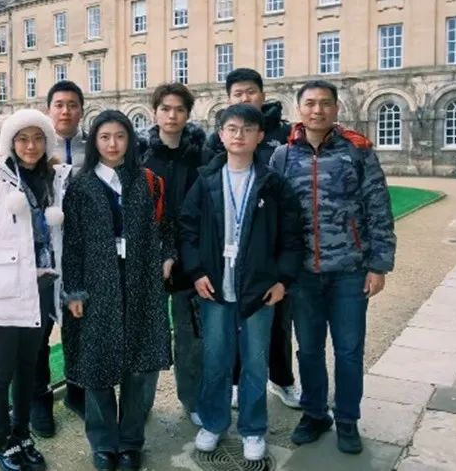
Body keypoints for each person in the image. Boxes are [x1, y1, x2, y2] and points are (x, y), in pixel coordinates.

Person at [270, 80, 396, 454]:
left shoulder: (358, 151)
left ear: (337, 108)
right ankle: (314, 413)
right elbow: (274, 218)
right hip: (303, 274)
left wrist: (379, 265)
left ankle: (346, 419)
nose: (318, 110)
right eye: (310, 103)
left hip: (350, 270)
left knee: (349, 350)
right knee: (308, 350)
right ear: (299, 109)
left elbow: (378, 208)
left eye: (325, 103)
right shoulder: (282, 157)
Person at [180, 104, 303, 462]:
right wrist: (197, 272)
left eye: (248, 129)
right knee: (216, 359)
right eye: (232, 128)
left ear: (260, 136)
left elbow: (292, 236)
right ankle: (214, 422)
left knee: (254, 361)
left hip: (259, 289)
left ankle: (252, 429)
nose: (239, 135)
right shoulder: (205, 180)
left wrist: (282, 280)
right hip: (216, 287)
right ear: (221, 134)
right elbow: (187, 229)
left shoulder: (273, 184)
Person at [61, 110, 173, 471]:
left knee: (139, 367)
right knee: (97, 365)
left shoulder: (146, 182)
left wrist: (168, 256)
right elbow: (72, 245)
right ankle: (104, 443)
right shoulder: (81, 187)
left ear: (130, 140)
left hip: (141, 281)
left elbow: (167, 227)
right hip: (97, 285)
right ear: (95, 141)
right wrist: (74, 291)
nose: (113, 144)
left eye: (120, 136)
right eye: (105, 137)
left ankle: (130, 443)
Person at [0, 109, 66, 471]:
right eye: (22, 139)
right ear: (11, 143)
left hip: (40, 287)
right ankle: (2, 443)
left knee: (27, 369)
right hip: (2, 289)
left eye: (37, 139)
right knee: (2, 372)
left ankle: (22, 436)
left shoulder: (53, 181)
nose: (30, 146)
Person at [204, 67, 300, 410]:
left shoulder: (283, 134)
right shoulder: (217, 140)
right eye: (237, 93)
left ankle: (282, 379)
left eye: (250, 91)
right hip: (231, 245)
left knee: (277, 319)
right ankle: (234, 381)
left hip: (270, 242)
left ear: (262, 94)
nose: (244, 98)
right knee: (232, 319)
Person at [137, 83, 206, 427]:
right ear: (155, 112)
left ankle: (192, 400)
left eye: (179, 109)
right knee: (147, 336)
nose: (172, 115)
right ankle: (141, 404)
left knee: (190, 336)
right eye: (165, 108)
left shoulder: (202, 156)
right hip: (150, 260)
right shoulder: (140, 156)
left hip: (190, 260)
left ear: (187, 114)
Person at [28, 80, 88, 436]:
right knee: (37, 333)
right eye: (59, 104)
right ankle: (40, 400)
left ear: (81, 110)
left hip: (80, 255)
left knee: (78, 328)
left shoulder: (92, 149)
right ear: (49, 109)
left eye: (72, 104)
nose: (66, 111)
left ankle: (77, 393)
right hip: (41, 255)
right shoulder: (34, 147)